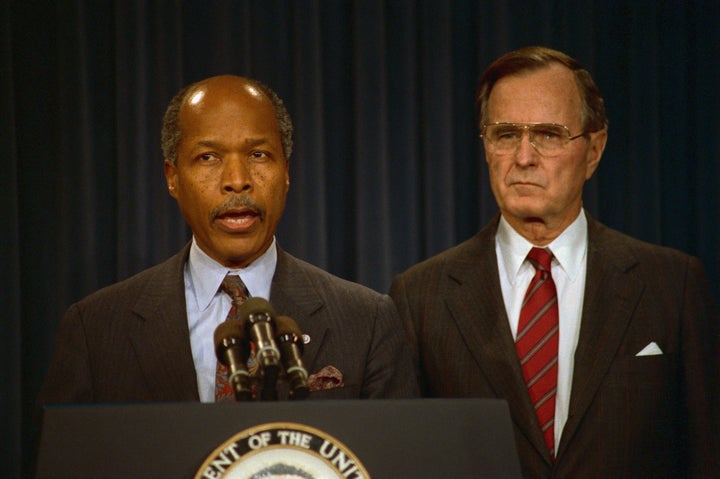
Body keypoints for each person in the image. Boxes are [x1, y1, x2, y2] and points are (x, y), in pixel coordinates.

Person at [389, 46, 719, 478]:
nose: (524, 157)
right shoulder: (419, 296)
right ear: (486, 146)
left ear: (594, 149)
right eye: (506, 135)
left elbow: (706, 455)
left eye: (548, 134)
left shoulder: (671, 284)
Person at [37, 75, 418, 406]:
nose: (237, 179)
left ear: (286, 172)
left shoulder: (367, 322)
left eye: (258, 154)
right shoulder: (96, 330)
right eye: (208, 157)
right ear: (172, 177)